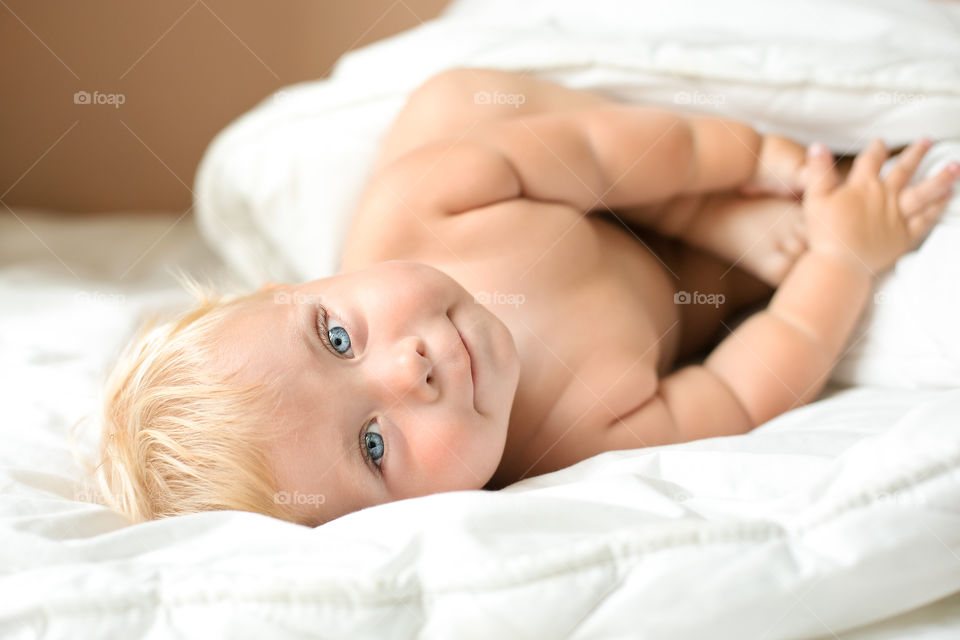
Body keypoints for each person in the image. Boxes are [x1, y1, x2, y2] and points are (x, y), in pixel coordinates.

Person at [93, 68, 959, 527]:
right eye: (373, 445)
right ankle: (718, 250)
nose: (411, 367)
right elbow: (741, 388)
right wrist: (842, 256)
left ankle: (705, 217)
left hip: (588, 181)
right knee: (730, 296)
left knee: (458, 100)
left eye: (337, 339)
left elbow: (591, 146)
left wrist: (749, 165)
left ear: (299, 286)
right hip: (670, 293)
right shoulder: (570, 446)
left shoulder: (420, 207)